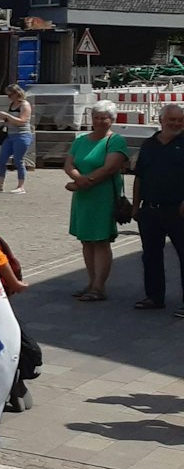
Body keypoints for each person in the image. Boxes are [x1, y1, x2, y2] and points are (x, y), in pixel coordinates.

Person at [64, 101, 130, 302]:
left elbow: (110, 167)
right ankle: (91, 282)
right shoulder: (80, 140)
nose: (100, 121)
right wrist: (79, 179)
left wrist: (85, 181)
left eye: (104, 118)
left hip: (103, 196)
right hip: (83, 196)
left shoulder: (116, 140)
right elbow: (69, 163)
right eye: (96, 117)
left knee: (100, 240)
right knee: (86, 240)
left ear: (112, 120)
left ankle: (99, 286)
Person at [133, 104, 184, 314]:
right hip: (150, 209)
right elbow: (139, 176)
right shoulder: (149, 145)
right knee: (151, 255)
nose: (176, 123)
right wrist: (135, 206)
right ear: (161, 120)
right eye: (172, 119)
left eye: (180, 120)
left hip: (178, 210)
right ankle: (154, 297)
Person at [0, 84, 33, 194]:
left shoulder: (25, 105)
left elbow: (22, 121)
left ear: (16, 93)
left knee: (18, 160)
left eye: (10, 95)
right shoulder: (12, 104)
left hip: (22, 136)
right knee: (1, 159)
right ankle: (0, 184)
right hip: (10, 135)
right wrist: (2, 117)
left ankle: (21, 186)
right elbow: (11, 120)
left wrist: (7, 116)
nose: (8, 97)